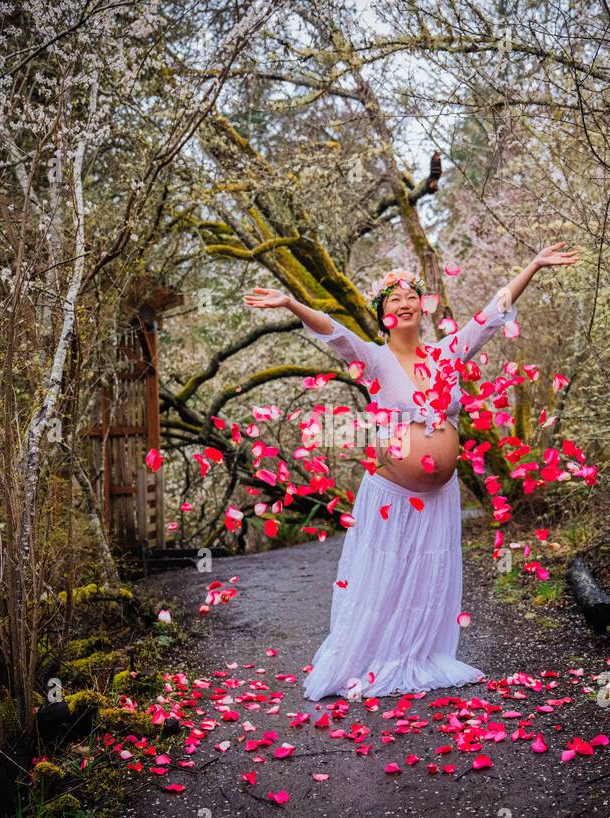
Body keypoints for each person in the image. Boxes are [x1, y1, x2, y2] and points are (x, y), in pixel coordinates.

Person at [243, 243, 580, 700]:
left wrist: (534, 266)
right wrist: (290, 303)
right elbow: (333, 331)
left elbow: (494, 313)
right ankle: (371, 657)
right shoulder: (375, 359)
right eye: (392, 299)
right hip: (391, 496)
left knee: (428, 576)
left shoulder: (446, 354)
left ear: (423, 306)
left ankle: (417, 654)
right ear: (382, 312)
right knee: (385, 575)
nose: (403, 304)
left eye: (410, 297)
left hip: (440, 497)